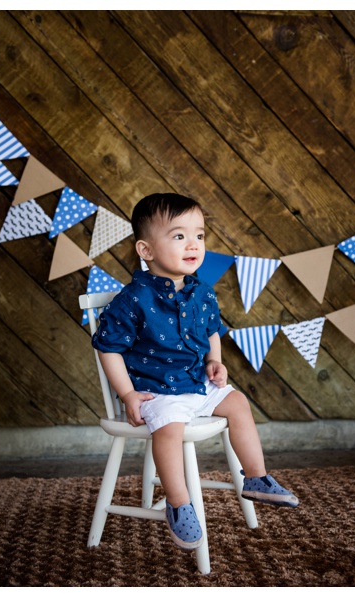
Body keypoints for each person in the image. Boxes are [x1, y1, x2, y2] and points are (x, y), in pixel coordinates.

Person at [92, 193, 298, 551]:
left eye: (199, 235)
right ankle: (178, 502)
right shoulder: (134, 298)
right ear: (146, 250)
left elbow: (212, 331)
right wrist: (127, 394)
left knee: (238, 403)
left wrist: (214, 362)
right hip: (156, 391)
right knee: (169, 431)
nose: (193, 244)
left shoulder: (201, 291)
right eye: (179, 236)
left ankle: (256, 478)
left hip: (196, 383)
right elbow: (108, 348)